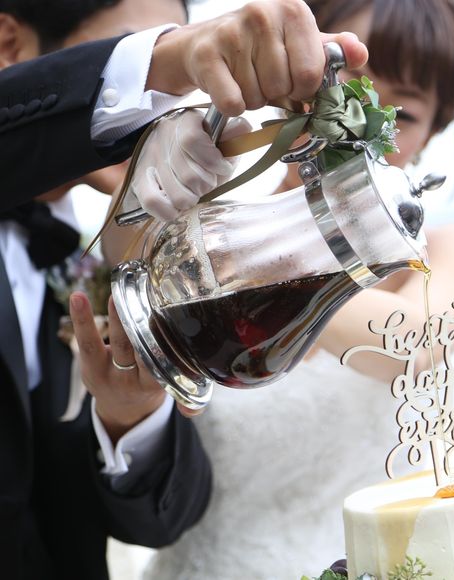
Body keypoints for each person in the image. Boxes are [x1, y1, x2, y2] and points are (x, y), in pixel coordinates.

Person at [0, 1, 370, 579]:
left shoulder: (92, 259)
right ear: (8, 45)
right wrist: (171, 59)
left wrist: (130, 419)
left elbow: (157, 519)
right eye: (139, 57)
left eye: (174, 87)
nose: (165, 103)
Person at [144, 0, 454, 578]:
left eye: (402, 113)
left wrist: (253, 267)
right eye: (344, 86)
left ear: (432, 132)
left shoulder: (450, 252)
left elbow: (410, 343)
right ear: (290, 76)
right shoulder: (192, 235)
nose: (355, 120)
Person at [0, 0, 369, 212]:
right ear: (9, 46)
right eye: (133, 52)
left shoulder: (66, 256)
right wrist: (170, 61)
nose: (155, 105)